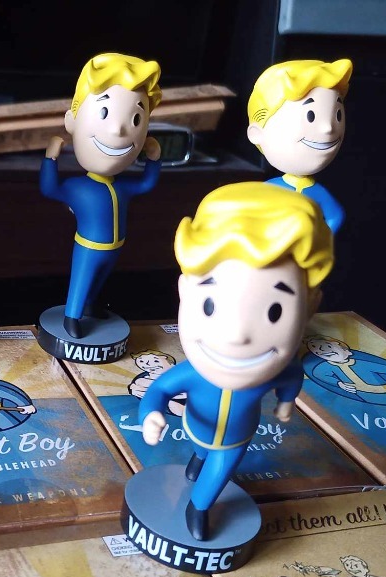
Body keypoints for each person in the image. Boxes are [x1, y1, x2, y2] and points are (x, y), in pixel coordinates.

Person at [139, 182, 333, 539]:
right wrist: (150, 413)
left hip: (236, 438)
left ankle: (199, 507)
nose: (237, 336)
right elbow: (159, 390)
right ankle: (197, 461)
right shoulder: (193, 373)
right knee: (200, 455)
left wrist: (286, 403)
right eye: (210, 305)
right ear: (184, 292)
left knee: (219, 470)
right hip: (196, 426)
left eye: (275, 311)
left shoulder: (274, 372)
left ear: (310, 309)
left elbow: (292, 377)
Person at [41, 53, 163, 339]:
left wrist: (154, 160)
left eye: (136, 118)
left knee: (100, 280)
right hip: (89, 247)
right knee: (82, 280)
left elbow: (147, 185)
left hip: (116, 246)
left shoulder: (123, 187)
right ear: (72, 121)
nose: (118, 130)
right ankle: (72, 316)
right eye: (105, 113)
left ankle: (91, 306)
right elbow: (50, 189)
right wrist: (50, 160)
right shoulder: (77, 187)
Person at [246, 59, 352, 233]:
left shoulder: (318, 193)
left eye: (338, 115)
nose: (328, 128)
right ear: (256, 134)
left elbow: (336, 216)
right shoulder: (268, 189)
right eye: (311, 116)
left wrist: (319, 240)